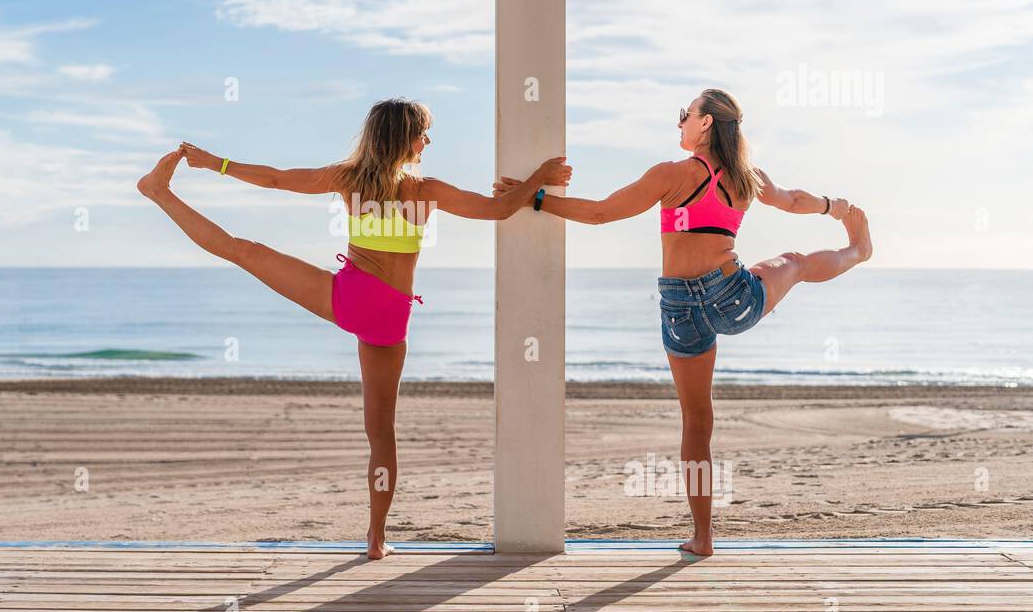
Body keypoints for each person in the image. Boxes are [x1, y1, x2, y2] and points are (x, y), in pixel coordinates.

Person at [138, 97, 571, 558]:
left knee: (242, 250)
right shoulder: (425, 190)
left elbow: (276, 179)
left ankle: (160, 194)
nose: (428, 141)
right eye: (424, 133)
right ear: (405, 137)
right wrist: (538, 179)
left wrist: (215, 163)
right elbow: (497, 210)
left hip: (346, 299)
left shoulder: (349, 179)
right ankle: (376, 537)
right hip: (387, 317)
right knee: (382, 431)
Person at [494, 88, 871, 556]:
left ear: (706, 122)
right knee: (794, 263)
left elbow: (600, 213)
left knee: (697, 420)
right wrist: (834, 207)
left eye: (684, 115)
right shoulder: (744, 178)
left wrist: (535, 199)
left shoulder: (672, 175)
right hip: (730, 295)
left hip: (678, 306)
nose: (679, 124)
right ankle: (856, 251)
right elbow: (793, 200)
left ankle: (703, 537)